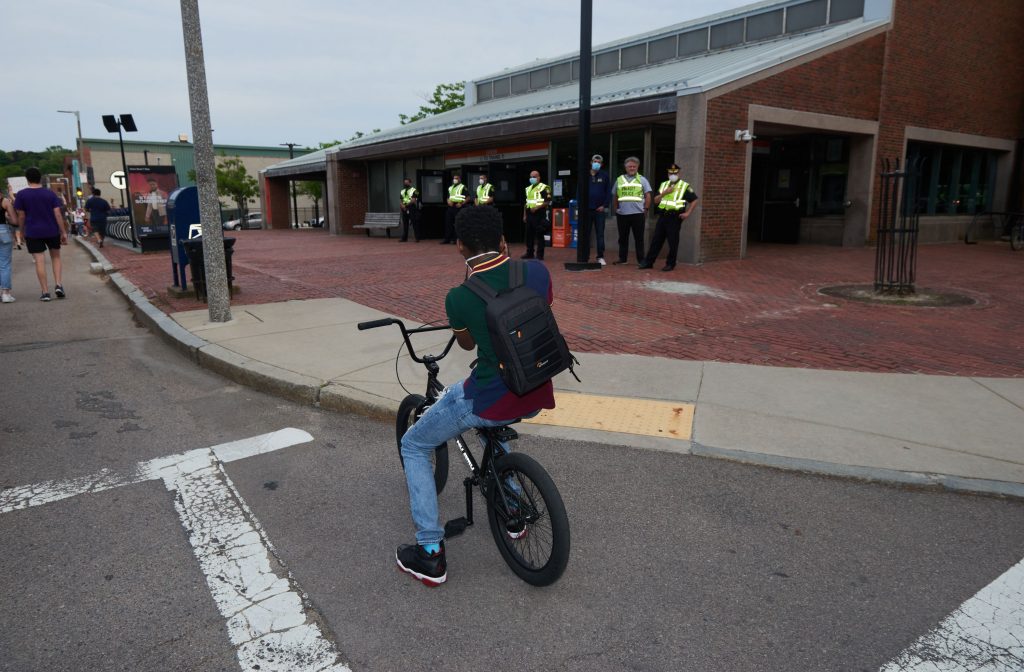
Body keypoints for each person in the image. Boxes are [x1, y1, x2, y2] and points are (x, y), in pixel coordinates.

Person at [396, 205, 556, 586]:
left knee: (414, 445)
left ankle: (430, 553)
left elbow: (466, 345)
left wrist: (470, 301)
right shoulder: (537, 271)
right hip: (536, 388)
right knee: (484, 420)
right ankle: (512, 504)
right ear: (503, 238)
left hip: (489, 395)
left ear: (459, 246)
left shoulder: (460, 296)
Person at [14, 167, 68, 301]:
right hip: (51, 230)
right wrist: (63, 232)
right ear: (40, 178)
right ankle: (58, 285)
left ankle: (45, 292)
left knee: (39, 260)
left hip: (33, 231)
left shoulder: (21, 194)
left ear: (27, 179)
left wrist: (21, 232)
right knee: (56, 257)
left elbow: (21, 216)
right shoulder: (50, 194)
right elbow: (57, 214)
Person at [640, 163, 699, 272]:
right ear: (668, 174)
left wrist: (688, 213)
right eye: (671, 173)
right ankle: (649, 262)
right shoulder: (664, 185)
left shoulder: (684, 186)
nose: (673, 175)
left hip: (675, 217)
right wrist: (664, 193)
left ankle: (670, 264)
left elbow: (695, 200)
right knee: (656, 240)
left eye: (675, 173)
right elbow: (656, 200)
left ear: (679, 174)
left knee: (673, 241)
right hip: (662, 216)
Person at [610, 156, 652, 265]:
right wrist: (616, 209)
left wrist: (646, 209)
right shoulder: (619, 180)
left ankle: (641, 259)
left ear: (637, 167)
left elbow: (648, 196)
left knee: (639, 238)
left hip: (638, 214)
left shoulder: (642, 179)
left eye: (634, 166)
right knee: (623, 238)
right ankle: (622, 259)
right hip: (622, 214)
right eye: (629, 166)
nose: (632, 168)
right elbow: (615, 196)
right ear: (625, 167)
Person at [584, 154, 612, 265]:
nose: (596, 163)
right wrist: (581, 207)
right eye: (595, 161)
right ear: (591, 162)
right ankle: (584, 256)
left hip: (599, 211)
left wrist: (604, 205)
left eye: (599, 162)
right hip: (587, 210)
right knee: (585, 234)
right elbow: (579, 191)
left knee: (600, 234)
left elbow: (608, 193)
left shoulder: (604, 176)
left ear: (601, 164)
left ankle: (600, 256)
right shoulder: (585, 175)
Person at [521, 169, 551, 261]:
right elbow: (526, 203)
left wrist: (537, 207)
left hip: (539, 214)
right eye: (531, 177)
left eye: (534, 177)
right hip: (530, 214)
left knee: (539, 235)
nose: (532, 178)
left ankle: (539, 255)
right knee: (529, 235)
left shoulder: (545, 187)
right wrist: (525, 215)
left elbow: (547, 202)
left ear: (539, 177)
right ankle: (529, 253)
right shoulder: (528, 188)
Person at [1, 190, 21, 303]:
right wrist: (6, 218)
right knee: (4, 263)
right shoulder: (4, 201)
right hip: (3, 231)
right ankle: (5, 294)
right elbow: (15, 220)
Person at [441, 174, 467, 244]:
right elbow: (448, 196)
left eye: (456, 178)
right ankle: (447, 239)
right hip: (451, 206)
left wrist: (461, 204)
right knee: (448, 223)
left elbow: (468, 197)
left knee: (457, 223)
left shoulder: (463, 187)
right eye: (454, 178)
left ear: (459, 179)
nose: (455, 180)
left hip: (458, 206)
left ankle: (456, 239)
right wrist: (448, 201)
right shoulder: (450, 187)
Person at [398, 177, 420, 242]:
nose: (405, 184)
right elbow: (401, 201)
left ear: (410, 183)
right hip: (404, 209)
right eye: (405, 182)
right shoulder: (402, 191)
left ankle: (417, 238)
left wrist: (406, 205)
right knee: (405, 224)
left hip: (412, 207)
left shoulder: (415, 190)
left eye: (407, 182)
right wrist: (402, 206)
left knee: (414, 223)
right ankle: (404, 238)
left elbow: (413, 200)